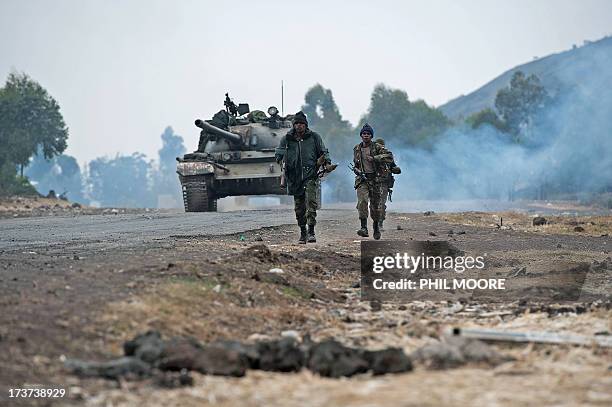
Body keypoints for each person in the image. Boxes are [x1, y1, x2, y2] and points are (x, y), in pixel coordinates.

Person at [275, 111, 330, 243]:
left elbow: (323, 151)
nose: (299, 126)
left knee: (311, 203)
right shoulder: (287, 139)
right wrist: (281, 161)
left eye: (301, 124)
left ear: (305, 125)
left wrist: (327, 162)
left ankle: (311, 231)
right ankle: (303, 232)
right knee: (299, 208)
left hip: (310, 174)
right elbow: (279, 154)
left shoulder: (314, 137)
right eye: (297, 124)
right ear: (293, 125)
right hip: (294, 177)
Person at [352, 123, 393, 240]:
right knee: (362, 202)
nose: (366, 136)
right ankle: (363, 227)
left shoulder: (377, 147)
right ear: (361, 135)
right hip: (362, 180)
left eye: (368, 134)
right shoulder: (357, 149)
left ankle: (376, 228)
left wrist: (375, 158)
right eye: (364, 134)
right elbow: (356, 163)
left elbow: (390, 157)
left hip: (376, 180)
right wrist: (357, 170)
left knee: (376, 206)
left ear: (371, 136)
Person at [374, 138, 401, 230]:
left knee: (381, 203)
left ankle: (380, 223)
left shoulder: (387, 157)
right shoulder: (371, 156)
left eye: (381, 146)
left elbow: (394, 166)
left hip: (384, 183)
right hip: (372, 183)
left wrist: (395, 169)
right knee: (373, 204)